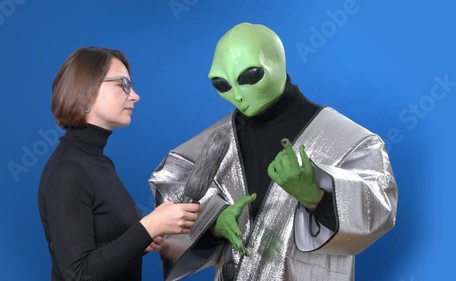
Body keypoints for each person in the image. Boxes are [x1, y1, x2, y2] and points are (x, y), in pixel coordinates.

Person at [149, 23, 398, 281]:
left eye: (249, 77)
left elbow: (380, 208)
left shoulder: (349, 141)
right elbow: (171, 190)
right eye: (223, 85)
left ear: (277, 64)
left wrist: (317, 198)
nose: (238, 96)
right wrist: (213, 223)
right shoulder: (213, 143)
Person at [38, 47, 201, 281]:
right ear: (87, 91)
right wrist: (149, 227)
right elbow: (79, 274)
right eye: (123, 84)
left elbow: (104, 249)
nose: (135, 95)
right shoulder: (69, 171)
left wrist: (143, 241)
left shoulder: (98, 162)